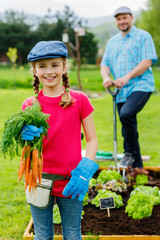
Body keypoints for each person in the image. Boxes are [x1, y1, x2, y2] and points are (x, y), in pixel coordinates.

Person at [21, 40, 99, 240]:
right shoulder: (30, 105)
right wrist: (24, 138)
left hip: (71, 180)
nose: (49, 71)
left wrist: (84, 172)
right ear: (35, 71)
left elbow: (92, 140)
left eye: (54, 65)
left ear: (64, 67)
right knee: (42, 235)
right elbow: (28, 149)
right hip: (38, 181)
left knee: (72, 234)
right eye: (42, 66)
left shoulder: (79, 100)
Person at [100, 6, 158, 168]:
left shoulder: (143, 37)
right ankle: (137, 167)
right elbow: (105, 64)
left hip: (141, 86)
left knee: (126, 114)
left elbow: (146, 62)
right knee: (128, 125)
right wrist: (106, 77)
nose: (122, 21)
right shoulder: (112, 42)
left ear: (131, 18)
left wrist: (126, 77)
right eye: (118, 19)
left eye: (124, 18)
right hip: (121, 91)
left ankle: (129, 153)